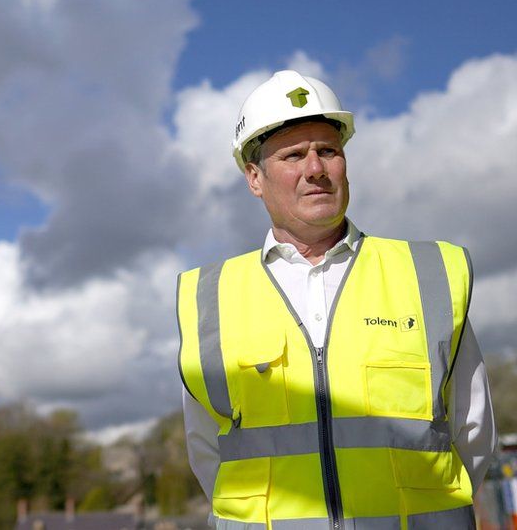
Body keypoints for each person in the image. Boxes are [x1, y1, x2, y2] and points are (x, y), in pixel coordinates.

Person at [177, 70, 495, 529]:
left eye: (328, 150)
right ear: (254, 177)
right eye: (292, 155)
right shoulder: (210, 298)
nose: (315, 169)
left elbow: (474, 433)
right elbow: (209, 451)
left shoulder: (428, 276)